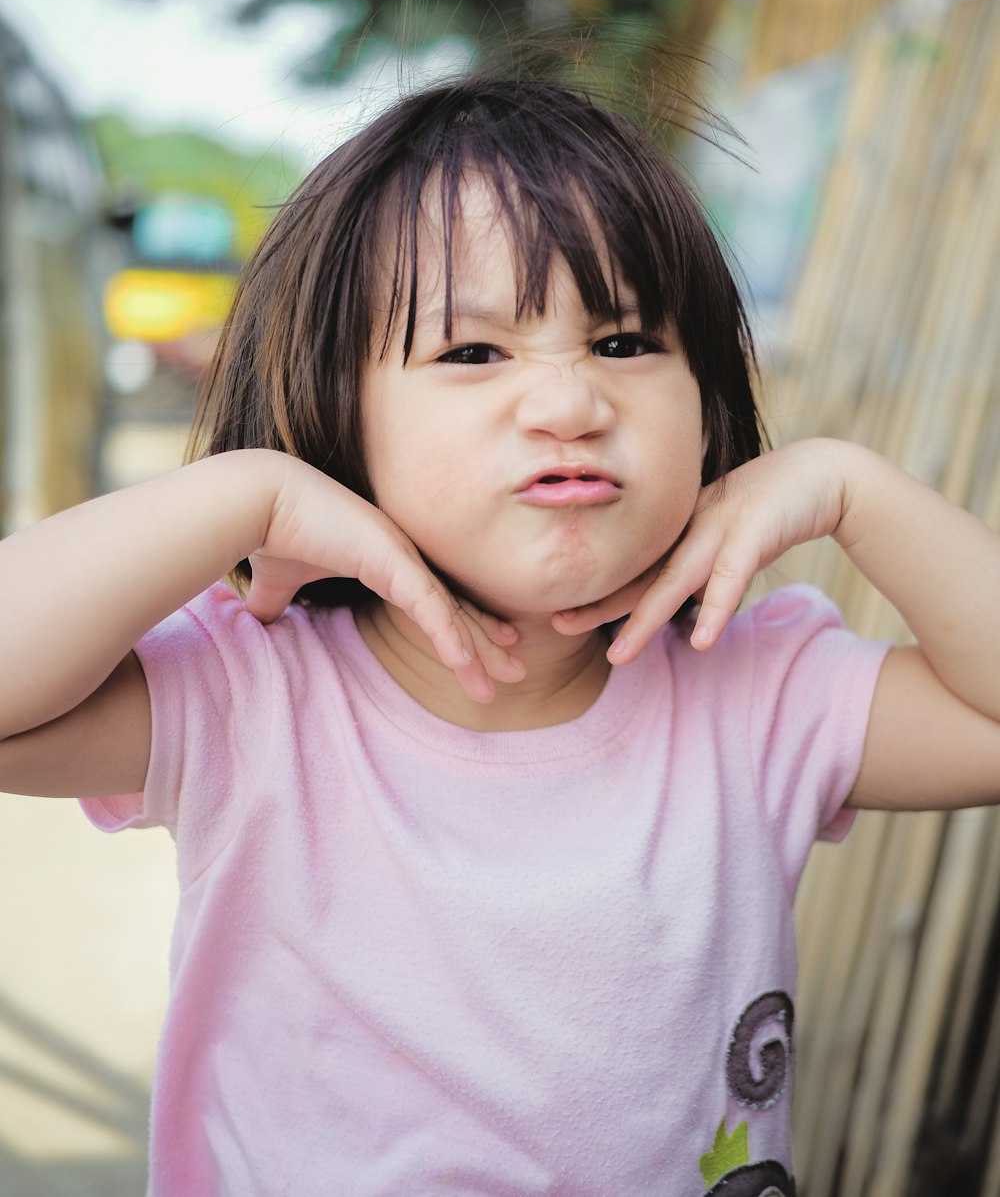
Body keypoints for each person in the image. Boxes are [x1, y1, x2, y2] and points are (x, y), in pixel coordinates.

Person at [1, 68, 998, 1197]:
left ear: (712, 404)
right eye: (473, 355)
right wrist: (243, 495)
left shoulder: (763, 694)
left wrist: (850, 486)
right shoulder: (251, 695)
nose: (570, 403)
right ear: (336, 416)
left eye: (623, 342)